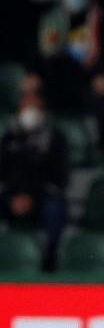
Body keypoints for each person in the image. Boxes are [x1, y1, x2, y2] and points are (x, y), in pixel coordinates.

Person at [0, 91, 69, 271]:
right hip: (12, 196)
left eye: (35, 107)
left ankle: (49, 261)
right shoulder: (9, 138)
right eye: (26, 106)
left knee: (56, 209)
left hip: (41, 196)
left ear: (43, 111)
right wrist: (12, 198)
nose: (29, 111)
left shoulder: (55, 139)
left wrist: (32, 197)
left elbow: (59, 177)